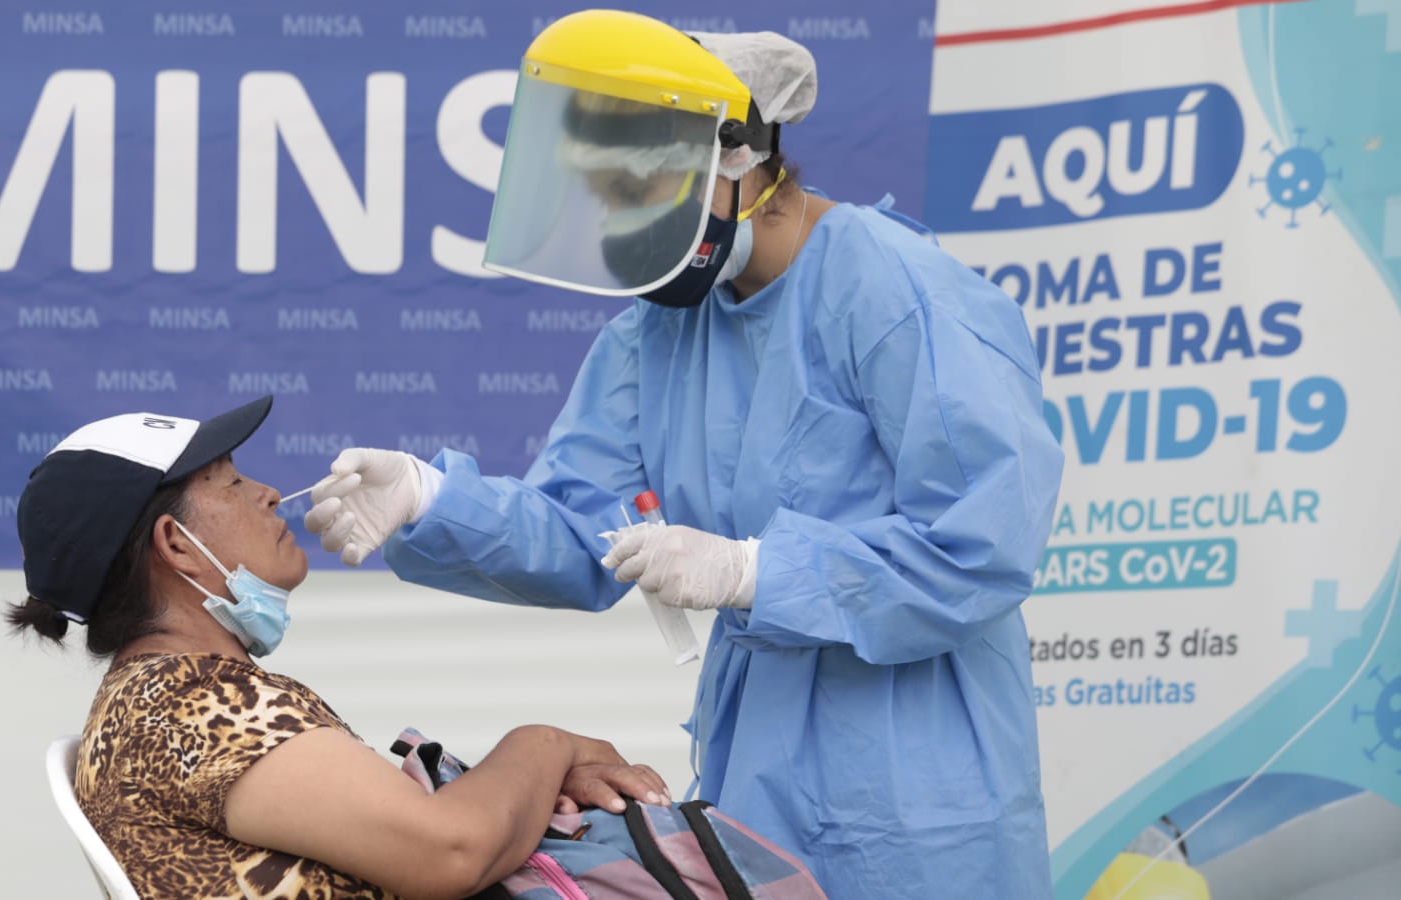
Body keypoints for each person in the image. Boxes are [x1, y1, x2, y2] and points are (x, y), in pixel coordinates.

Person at [303, 11, 1063, 899]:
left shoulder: (898, 291)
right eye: (607, 196)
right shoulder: (657, 332)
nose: (622, 220)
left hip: (917, 778)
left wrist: (755, 573)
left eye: (638, 190)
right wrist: (433, 500)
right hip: (754, 773)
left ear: (737, 158)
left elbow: (982, 545)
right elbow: (585, 533)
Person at [7, 396, 672, 900]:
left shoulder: (149, 699)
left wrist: (533, 787)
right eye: (232, 483)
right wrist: (548, 744)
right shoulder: (194, 707)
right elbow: (452, 851)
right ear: (175, 544)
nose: (268, 493)